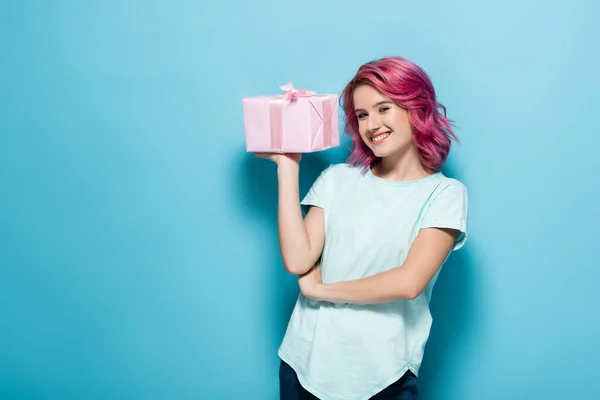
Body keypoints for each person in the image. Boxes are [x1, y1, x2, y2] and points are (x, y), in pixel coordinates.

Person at [255, 56, 469, 400]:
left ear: (416, 108)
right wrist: (287, 166)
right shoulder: (337, 179)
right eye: (362, 115)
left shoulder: (444, 194)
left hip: (383, 377)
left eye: (384, 109)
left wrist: (320, 290)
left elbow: (409, 282)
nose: (372, 125)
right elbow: (298, 261)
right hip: (303, 366)